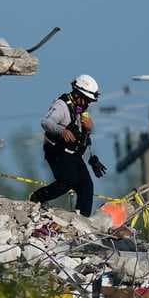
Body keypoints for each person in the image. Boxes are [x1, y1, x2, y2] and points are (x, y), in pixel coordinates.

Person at [29, 75, 107, 216]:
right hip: (57, 151)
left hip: (73, 154)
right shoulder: (61, 105)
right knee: (67, 181)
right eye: (86, 100)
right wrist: (62, 130)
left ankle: (82, 218)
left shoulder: (81, 110)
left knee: (86, 186)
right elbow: (45, 122)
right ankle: (36, 198)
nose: (87, 104)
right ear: (77, 94)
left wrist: (89, 130)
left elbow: (83, 137)